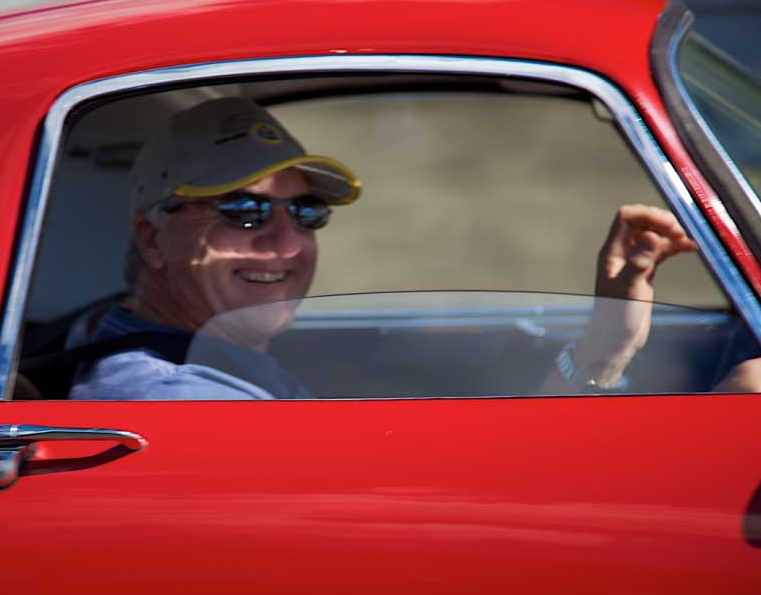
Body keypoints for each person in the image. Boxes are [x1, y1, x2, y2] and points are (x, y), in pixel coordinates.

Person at [68, 96, 755, 400]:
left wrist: (605, 345)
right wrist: (718, 431)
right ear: (153, 239)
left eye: (306, 211)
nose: (286, 241)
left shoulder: (222, 363)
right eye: (242, 211)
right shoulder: (172, 398)